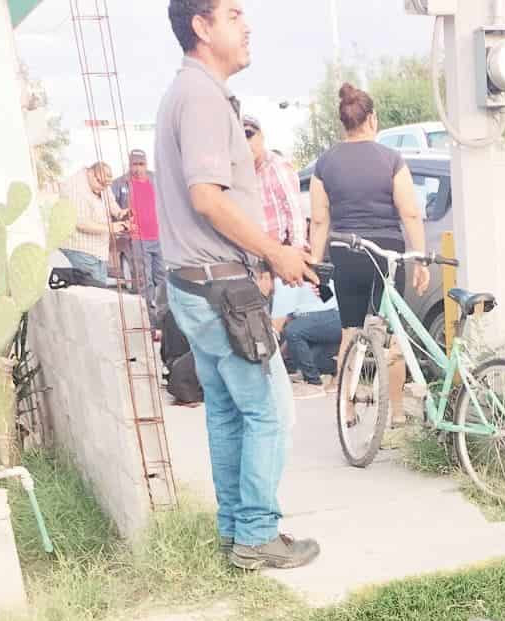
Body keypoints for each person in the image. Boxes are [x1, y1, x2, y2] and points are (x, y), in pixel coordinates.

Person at [156, 0, 319, 572]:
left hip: (194, 284)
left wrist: (273, 252)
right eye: (232, 14)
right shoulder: (200, 96)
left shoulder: (188, 92)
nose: (246, 25)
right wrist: (273, 250)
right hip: (222, 290)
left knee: (227, 412)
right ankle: (255, 533)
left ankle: (235, 531)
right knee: (270, 412)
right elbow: (208, 196)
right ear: (201, 28)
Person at [309, 83, 429, 435]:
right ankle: (395, 415)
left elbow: (319, 220)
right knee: (391, 333)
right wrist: (419, 259)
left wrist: (316, 266)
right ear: (372, 119)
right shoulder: (391, 159)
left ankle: (346, 405)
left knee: (350, 331)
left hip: (346, 253)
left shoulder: (325, 163)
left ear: (344, 123)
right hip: (386, 255)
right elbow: (409, 213)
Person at [113, 150, 164, 326]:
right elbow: (112, 210)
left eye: (141, 164)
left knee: (162, 277)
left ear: (146, 164)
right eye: (134, 164)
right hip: (137, 239)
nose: (138, 168)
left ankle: (166, 317)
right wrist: (123, 222)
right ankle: (149, 322)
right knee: (144, 280)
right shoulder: (120, 184)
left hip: (159, 237)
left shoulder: (156, 180)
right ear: (129, 165)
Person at [58, 162, 127, 286]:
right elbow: (81, 223)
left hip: (99, 252)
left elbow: (110, 201)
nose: (103, 187)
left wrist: (120, 213)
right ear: (90, 173)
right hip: (80, 252)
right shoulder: (75, 189)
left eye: (106, 185)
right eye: (101, 183)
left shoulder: (101, 182)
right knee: (93, 296)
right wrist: (111, 228)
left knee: (100, 293)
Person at [243, 114, 306, 247]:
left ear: (261, 135)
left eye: (249, 135)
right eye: (240, 139)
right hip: (253, 257)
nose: (246, 143)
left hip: (280, 254)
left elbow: (295, 214)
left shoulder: (277, 166)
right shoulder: (240, 173)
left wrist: (296, 253)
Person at [273, 280, 342, 388]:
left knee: (293, 331)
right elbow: (291, 329)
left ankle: (313, 383)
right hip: (323, 322)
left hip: (334, 316)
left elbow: (277, 328)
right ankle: (338, 369)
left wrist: (272, 363)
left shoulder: (283, 280)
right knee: (308, 360)